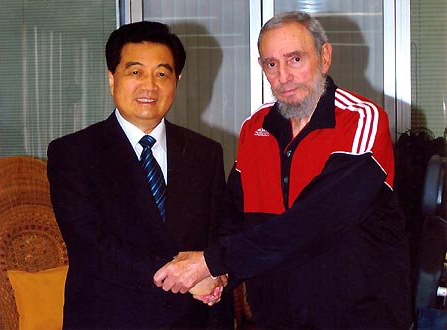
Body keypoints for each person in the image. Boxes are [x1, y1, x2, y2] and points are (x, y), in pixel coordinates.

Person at [154, 11, 412, 329]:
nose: (284, 77)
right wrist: (221, 275)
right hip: (276, 317)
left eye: (295, 59)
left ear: (325, 56)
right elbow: (234, 215)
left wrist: (210, 262)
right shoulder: (254, 128)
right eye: (271, 64)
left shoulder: (362, 120)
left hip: (358, 317)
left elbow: (316, 219)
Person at [47, 21, 233, 329]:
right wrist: (187, 276)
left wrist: (218, 272)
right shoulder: (73, 153)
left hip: (194, 317)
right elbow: (90, 246)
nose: (149, 86)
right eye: (135, 72)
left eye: (162, 73)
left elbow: (223, 231)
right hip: (110, 318)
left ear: (178, 80)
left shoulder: (205, 152)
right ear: (112, 78)